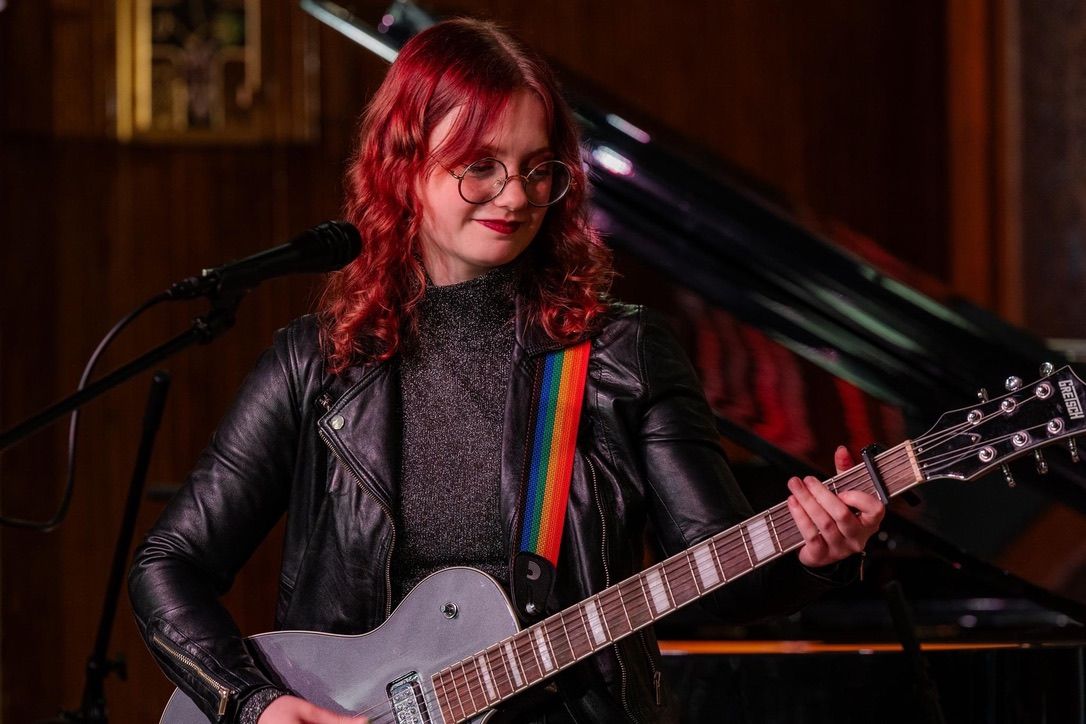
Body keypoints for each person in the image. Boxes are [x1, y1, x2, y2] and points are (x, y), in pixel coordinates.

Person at [128, 18, 885, 724]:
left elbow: (712, 571)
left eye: (535, 169)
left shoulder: (623, 355)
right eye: (480, 167)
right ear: (404, 165)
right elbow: (169, 563)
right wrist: (252, 702)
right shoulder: (316, 363)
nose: (515, 196)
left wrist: (814, 558)